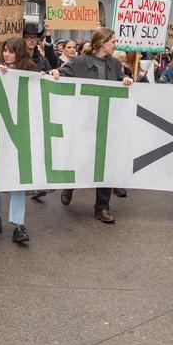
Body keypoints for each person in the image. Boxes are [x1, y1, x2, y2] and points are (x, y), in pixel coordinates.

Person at [57, 27, 134, 223]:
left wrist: (126, 80)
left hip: (107, 122)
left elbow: (122, 82)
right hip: (84, 121)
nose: (116, 45)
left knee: (106, 163)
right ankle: (70, 186)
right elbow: (60, 74)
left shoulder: (114, 63)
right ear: (101, 43)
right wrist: (53, 73)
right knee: (80, 159)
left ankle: (102, 207)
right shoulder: (80, 62)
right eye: (113, 41)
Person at [0, 37, 36, 243]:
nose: (6, 54)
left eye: (11, 51)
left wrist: (51, 75)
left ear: (19, 52)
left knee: (18, 175)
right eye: (4, 50)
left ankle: (18, 224)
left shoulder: (30, 70)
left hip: (19, 130)